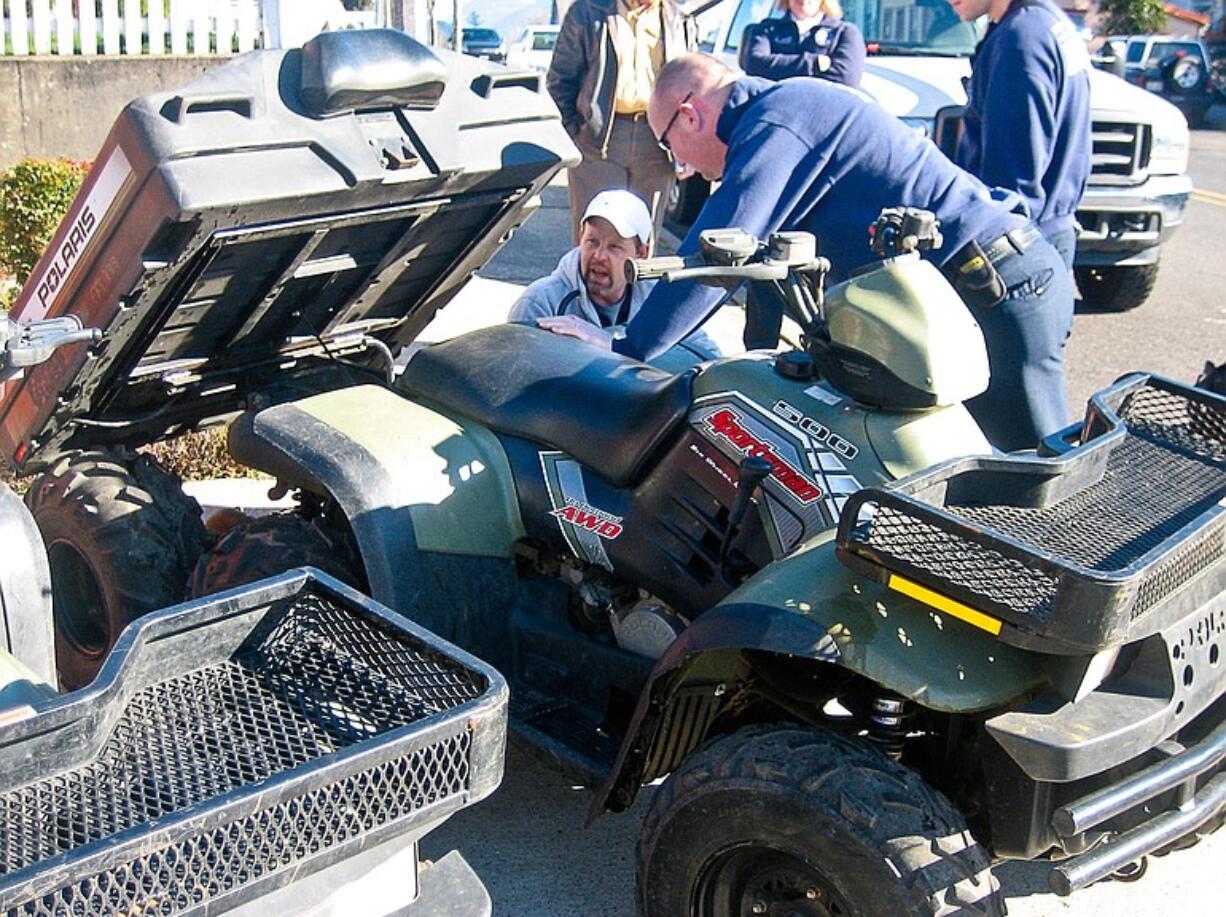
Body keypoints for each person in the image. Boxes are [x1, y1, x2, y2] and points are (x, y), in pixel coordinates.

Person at [538, 54, 1074, 453]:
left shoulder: (777, 122)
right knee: (968, 473)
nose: (682, 167)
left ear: (690, 114)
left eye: (668, 147)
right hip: (975, 289)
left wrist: (629, 347)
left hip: (995, 287)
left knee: (1034, 481)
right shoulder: (783, 115)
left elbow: (718, 251)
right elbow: (763, 258)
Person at [950, 0, 1091, 272]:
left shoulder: (1020, 39)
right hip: (1051, 230)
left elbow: (1013, 182)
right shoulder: (1049, 22)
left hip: (1018, 244)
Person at [547, 0, 696, 248]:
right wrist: (578, 133)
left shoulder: (679, 20)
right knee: (595, 241)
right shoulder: (589, 12)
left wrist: (686, 145)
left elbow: (692, 87)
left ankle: (636, 289)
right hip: (599, 140)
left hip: (658, 140)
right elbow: (559, 82)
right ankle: (586, 289)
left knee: (642, 244)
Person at [512, 189, 720, 365]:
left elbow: (709, 359)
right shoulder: (540, 302)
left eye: (614, 247)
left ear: (641, 253)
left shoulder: (661, 297)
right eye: (592, 241)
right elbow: (513, 376)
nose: (599, 256)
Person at [742, 0, 866, 87]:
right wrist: (815, 63)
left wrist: (778, 67)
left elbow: (847, 78)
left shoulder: (845, 33)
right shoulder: (766, 29)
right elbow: (754, 64)